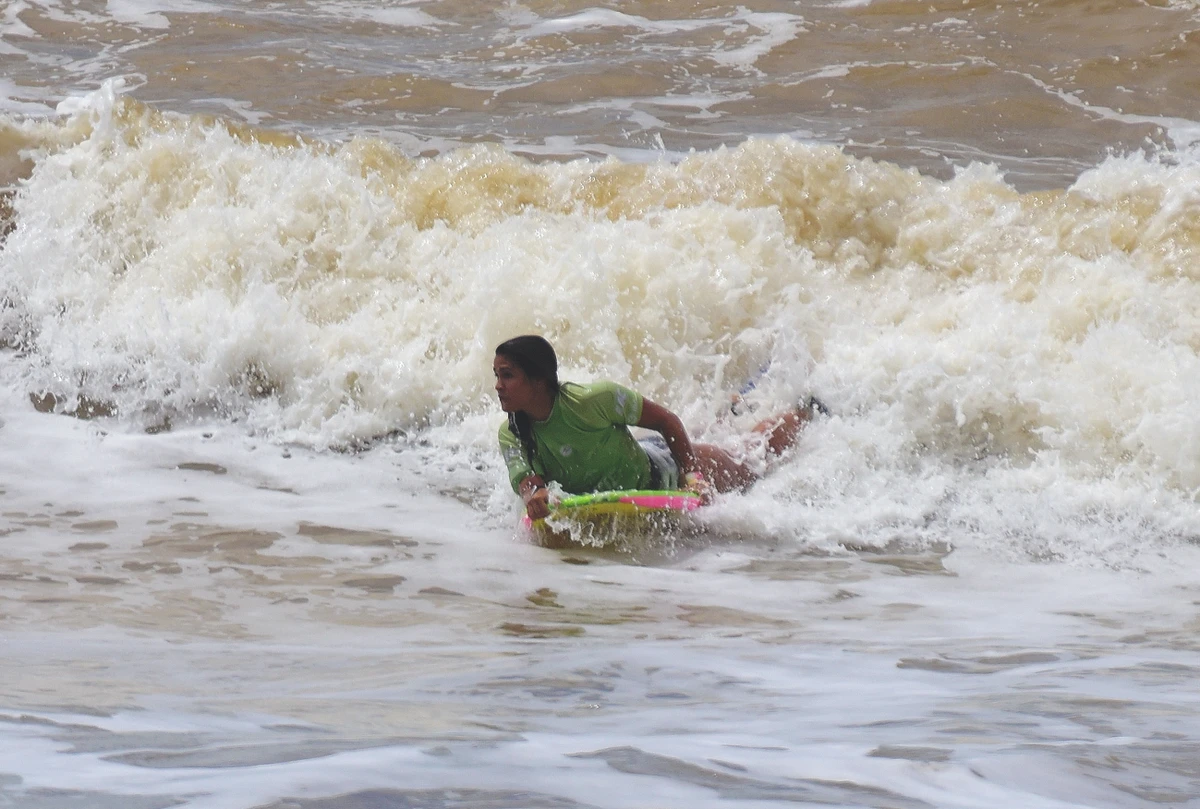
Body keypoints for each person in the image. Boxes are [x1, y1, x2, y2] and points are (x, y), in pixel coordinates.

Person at [494, 335, 821, 521]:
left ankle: (807, 409)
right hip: (640, 454)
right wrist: (533, 495)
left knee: (752, 455)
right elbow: (526, 478)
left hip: (665, 469)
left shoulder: (595, 399)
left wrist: (693, 477)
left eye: (507, 375)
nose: (498, 385)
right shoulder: (511, 433)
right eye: (497, 375)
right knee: (723, 433)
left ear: (538, 380)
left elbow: (666, 421)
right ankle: (731, 407)